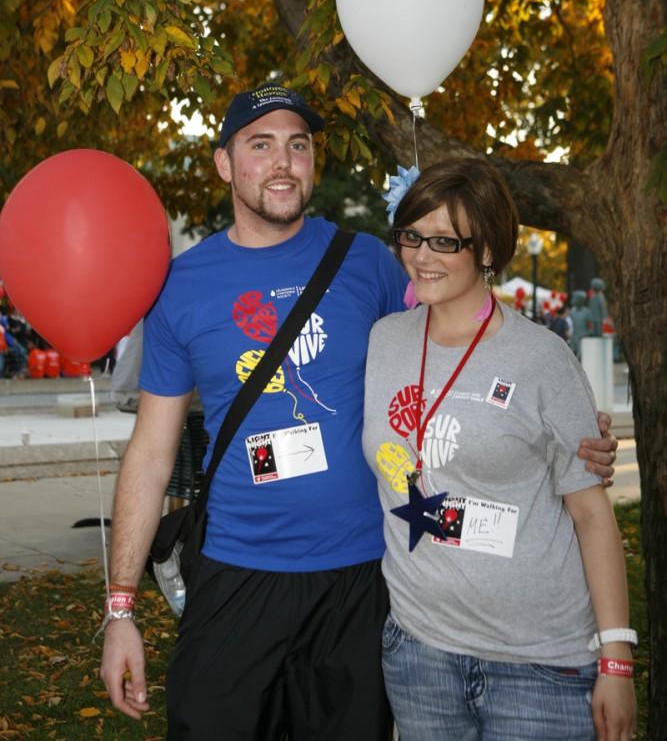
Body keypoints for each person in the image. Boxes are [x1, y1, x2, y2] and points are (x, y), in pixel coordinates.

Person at [100, 86, 617, 740]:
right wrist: (120, 609)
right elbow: (150, 452)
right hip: (235, 577)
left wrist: (571, 429)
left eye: (298, 144)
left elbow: (461, 342)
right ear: (224, 163)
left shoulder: (368, 262)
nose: (283, 162)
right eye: (260, 145)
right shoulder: (180, 284)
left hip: (362, 585)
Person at [363, 157, 636, 741]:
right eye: (411, 235)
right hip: (420, 655)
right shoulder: (384, 341)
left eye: (444, 240)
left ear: (486, 249)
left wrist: (616, 658)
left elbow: (591, 515)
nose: (421, 255)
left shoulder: (541, 358)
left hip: (539, 667)